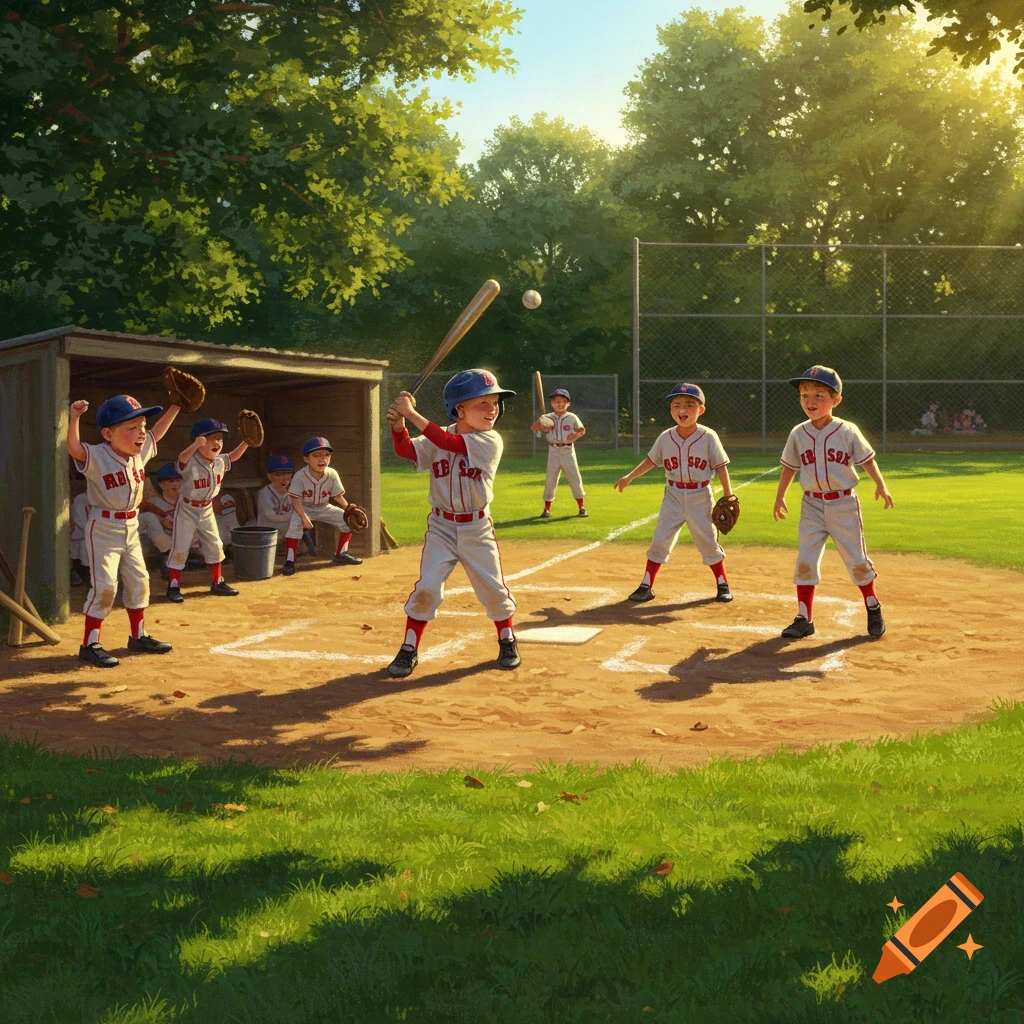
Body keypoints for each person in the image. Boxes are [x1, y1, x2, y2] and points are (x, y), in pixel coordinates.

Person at [385, 369, 519, 678]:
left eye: (494, 403)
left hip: (477, 528)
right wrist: (398, 426)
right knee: (427, 588)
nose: (492, 409)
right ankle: (409, 648)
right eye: (482, 403)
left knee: (493, 589)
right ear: (460, 409)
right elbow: (407, 450)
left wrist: (410, 413)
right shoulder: (437, 433)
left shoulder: (490, 439)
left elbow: (448, 441)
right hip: (441, 528)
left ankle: (507, 639)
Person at [773, 365, 893, 639]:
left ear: (836, 400)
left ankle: (873, 607)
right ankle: (804, 618)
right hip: (811, 505)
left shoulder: (847, 430)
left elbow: (867, 460)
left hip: (843, 505)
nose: (810, 401)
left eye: (819, 395)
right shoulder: (798, 433)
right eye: (805, 395)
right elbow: (789, 468)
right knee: (805, 560)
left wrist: (881, 484)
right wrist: (780, 496)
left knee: (857, 560)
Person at [66, 393, 181, 667]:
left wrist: (176, 406)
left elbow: (157, 432)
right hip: (104, 526)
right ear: (108, 433)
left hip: (130, 525)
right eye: (132, 427)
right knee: (105, 586)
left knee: (140, 580)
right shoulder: (98, 455)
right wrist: (75, 417)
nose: (141, 433)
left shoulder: (139, 452)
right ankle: (90, 644)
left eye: (142, 426)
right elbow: (74, 448)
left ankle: (138, 636)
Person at [615, 383, 734, 603]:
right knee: (660, 539)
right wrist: (629, 477)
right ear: (671, 410)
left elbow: (721, 466)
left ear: (701, 410)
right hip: (673, 495)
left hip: (700, 496)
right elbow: (651, 460)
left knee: (708, 540)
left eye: (689, 405)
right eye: (676, 405)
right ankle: (646, 585)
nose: (682, 410)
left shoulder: (708, 436)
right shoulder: (665, 437)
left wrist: (728, 495)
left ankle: (722, 584)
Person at [166, 417, 251, 602]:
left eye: (219, 439)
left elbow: (233, 456)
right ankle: (173, 586)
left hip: (206, 509)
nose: (217, 443)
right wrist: (195, 445)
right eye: (211, 439)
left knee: (215, 544)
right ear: (199, 440)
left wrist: (246, 442)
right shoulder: (190, 460)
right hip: (187, 508)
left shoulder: (219, 461)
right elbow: (182, 459)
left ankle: (218, 581)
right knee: (181, 546)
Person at [282, 437, 363, 575]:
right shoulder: (300, 476)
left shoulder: (332, 474)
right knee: (294, 526)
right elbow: (295, 499)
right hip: (303, 507)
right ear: (306, 459)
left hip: (324, 507)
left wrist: (349, 509)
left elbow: (337, 496)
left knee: (346, 520)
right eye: (316, 455)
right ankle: (289, 562)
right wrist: (304, 518)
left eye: (326, 455)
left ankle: (341, 554)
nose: (322, 459)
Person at [530, 387, 588, 518]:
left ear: (568, 403)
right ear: (552, 403)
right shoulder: (547, 417)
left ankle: (581, 507)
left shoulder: (571, 417)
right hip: (553, 451)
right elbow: (534, 428)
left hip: (568, 451)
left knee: (575, 478)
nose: (559, 404)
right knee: (550, 480)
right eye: (556, 401)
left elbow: (582, 430)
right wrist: (542, 425)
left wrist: (575, 436)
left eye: (562, 401)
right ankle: (547, 509)